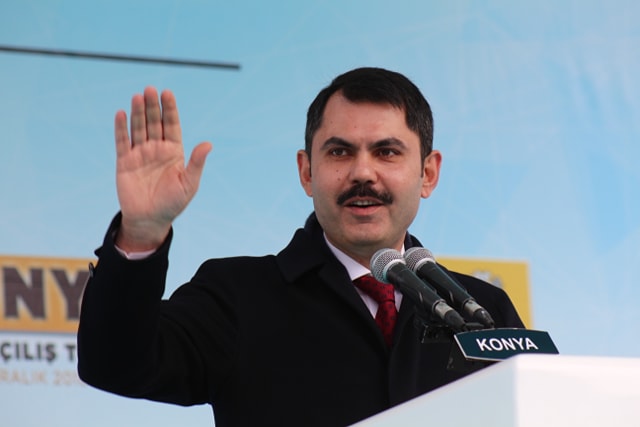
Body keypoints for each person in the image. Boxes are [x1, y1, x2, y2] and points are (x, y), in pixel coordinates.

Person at [77, 67, 524, 426]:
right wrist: (142, 232)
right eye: (339, 152)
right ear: (307, 172)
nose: (362, 173)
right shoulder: (237, 295)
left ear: (428, 173)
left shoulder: (482, 310)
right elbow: (114, 364)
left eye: (387, 152)